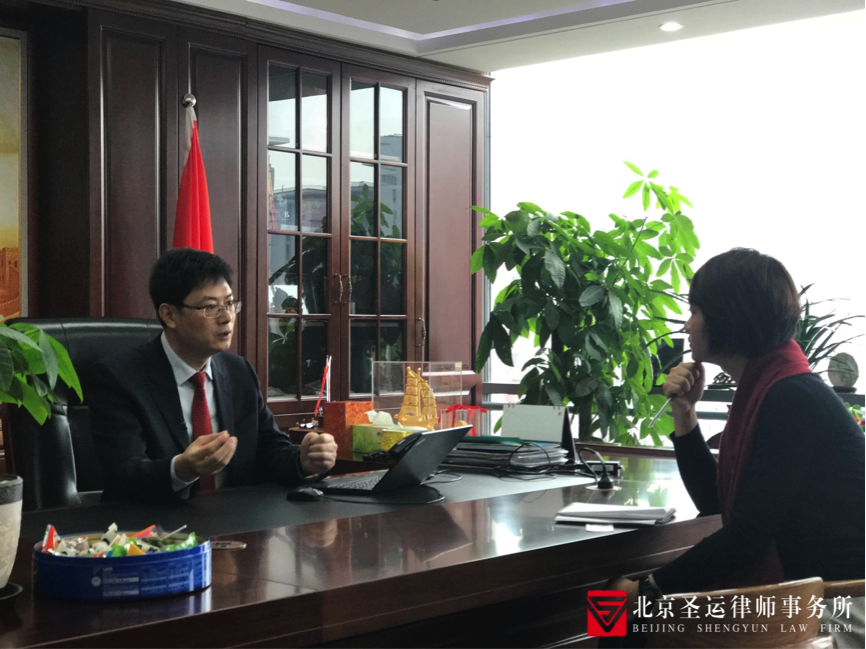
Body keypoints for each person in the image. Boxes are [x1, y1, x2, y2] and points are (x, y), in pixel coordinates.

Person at [606, 248, 865, 646]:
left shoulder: (791, 398)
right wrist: (685, 413)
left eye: (695, 311)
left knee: (620, 607)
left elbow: (747, 535)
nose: (687, 325)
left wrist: (649, 589)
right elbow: (716, 504)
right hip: (805, 590)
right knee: (618, 605)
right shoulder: (773, 388)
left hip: (837, 606)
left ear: (728, 316)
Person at [89, 248, 337, 503]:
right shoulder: (118, 378)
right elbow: (123, 474)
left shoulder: (238, 371)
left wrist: (303, 461)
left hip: (235, 520)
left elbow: (268, 450)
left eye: (229, 304)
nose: (227, 318)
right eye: (210, 307)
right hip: (155, 522)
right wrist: (182, 470)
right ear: (169, 315)